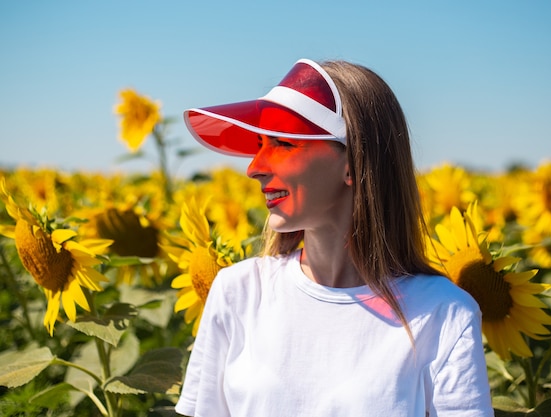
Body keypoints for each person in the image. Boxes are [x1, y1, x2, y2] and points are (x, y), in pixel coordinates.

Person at [175, 58, 493, 417]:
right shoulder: (238, 293)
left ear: (352, 162)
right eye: (260, 144)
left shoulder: (443, 314)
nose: (254, 168)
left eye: (283, 143)